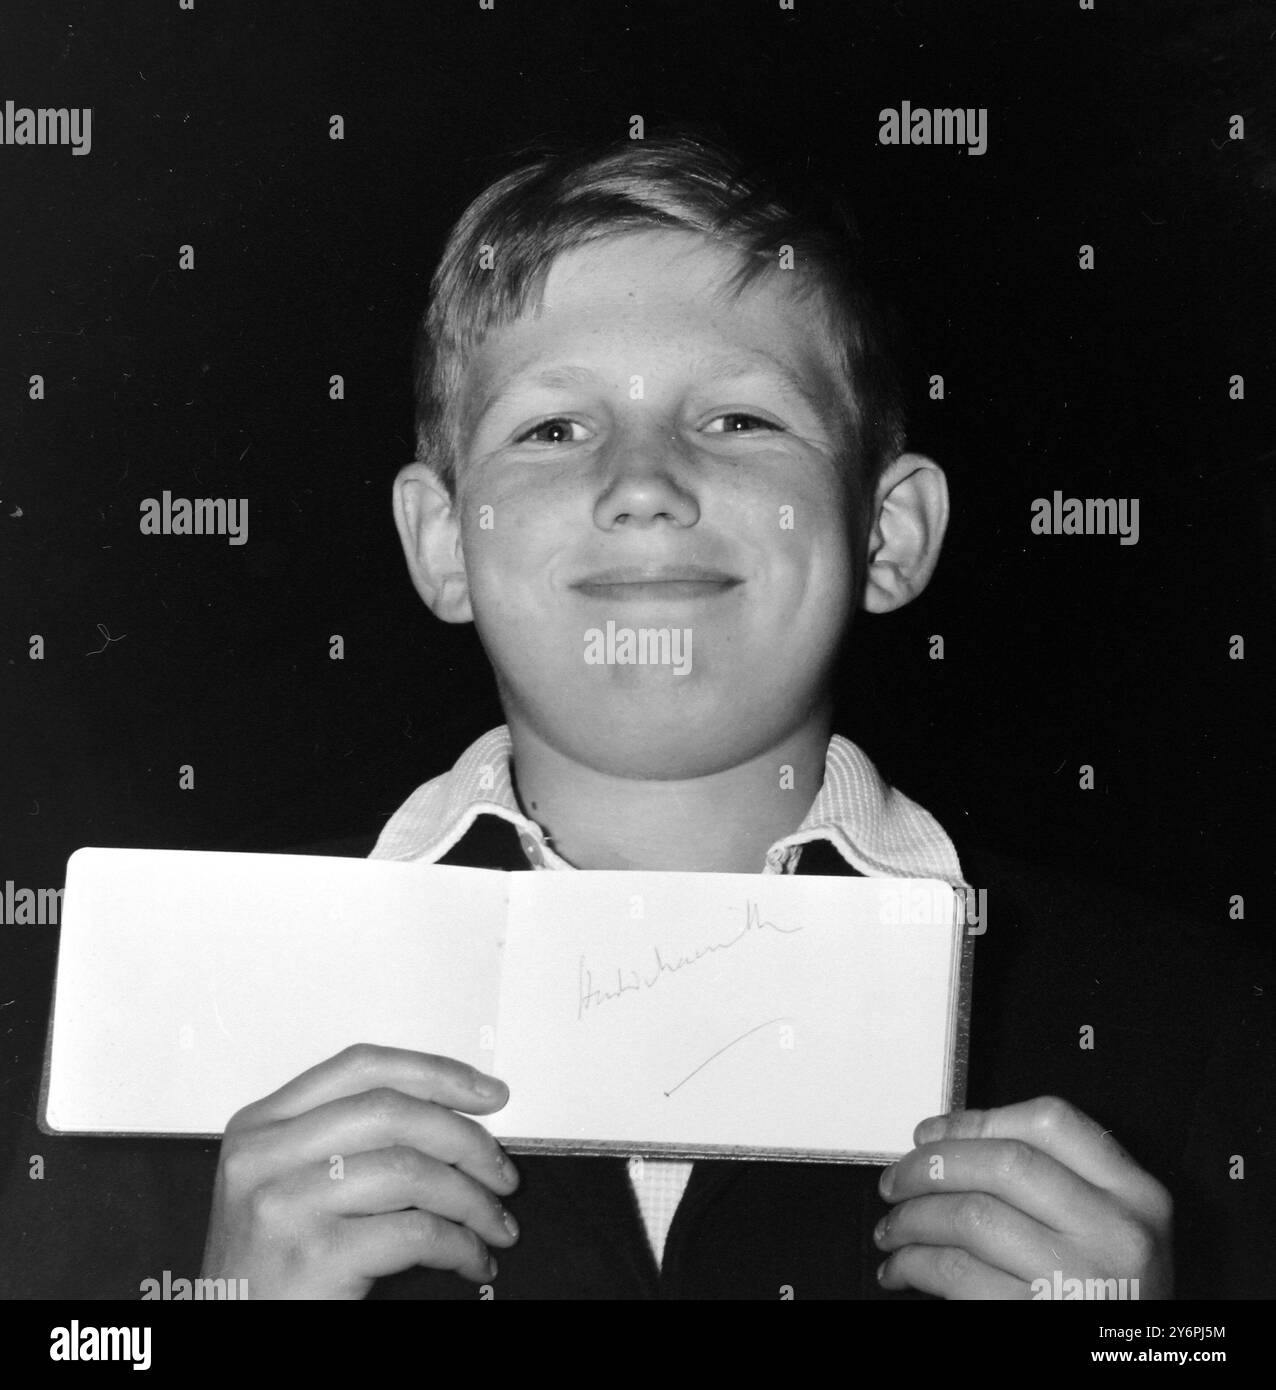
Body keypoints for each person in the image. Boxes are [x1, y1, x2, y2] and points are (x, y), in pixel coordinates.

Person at [37, 132, 1264, 1302]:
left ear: (886, 534)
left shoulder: (1189, 1031)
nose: (641, 485)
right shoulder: (158, 1022)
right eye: (553, 428)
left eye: (738, 418)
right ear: (441, 541)